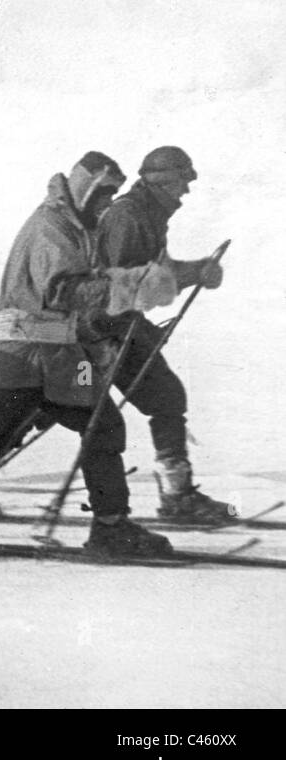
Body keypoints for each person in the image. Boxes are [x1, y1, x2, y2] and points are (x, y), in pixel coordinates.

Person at [0, 152, 178, 557]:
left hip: (63, 358)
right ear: (85, 189)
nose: (106, 204)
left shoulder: (79, 227)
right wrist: (128, 286)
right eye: (102, 194)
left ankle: (111, 527)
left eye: (112, 196)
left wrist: (116, 310)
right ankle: (109, 530)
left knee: (100, 425)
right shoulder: (51, 228)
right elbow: (63, 290)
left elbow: (83, 295)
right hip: (27, 354)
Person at [95, 146, 231, 524]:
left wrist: (198, 269)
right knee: (44, 407)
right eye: (182, 182)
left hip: (122, 331)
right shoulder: (128, 217)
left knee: (167, 397)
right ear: (162, 181)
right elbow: (120, 284)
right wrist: (192, 276)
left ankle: (178, 495)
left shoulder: (149, 215)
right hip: (100, 334)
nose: (185, 192)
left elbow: (160, 271)